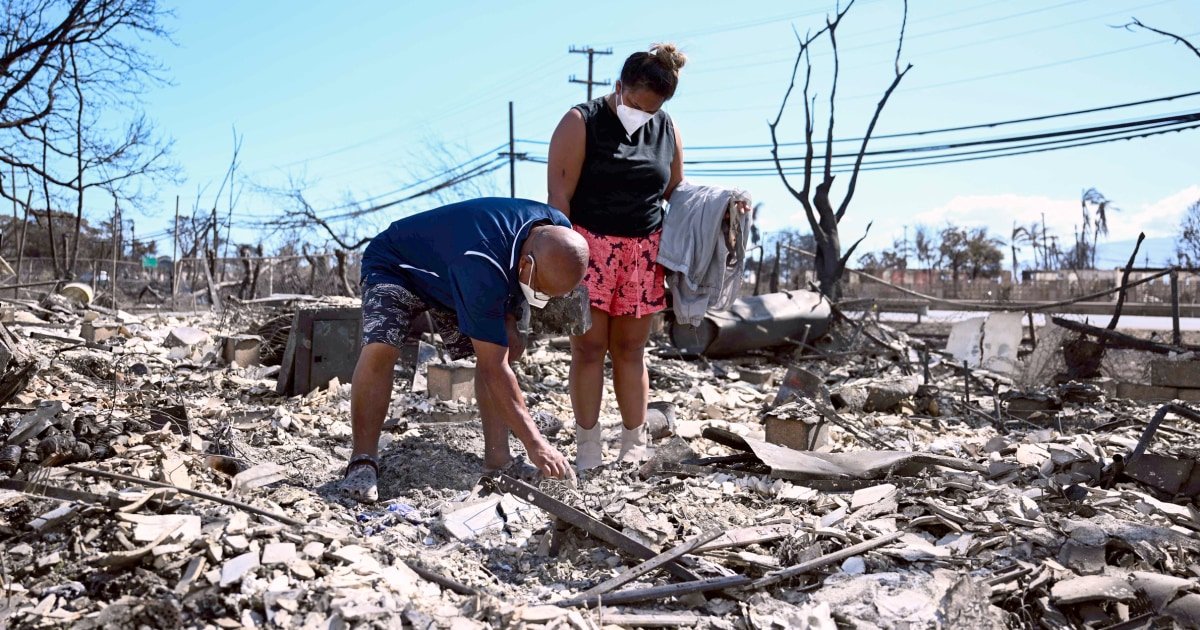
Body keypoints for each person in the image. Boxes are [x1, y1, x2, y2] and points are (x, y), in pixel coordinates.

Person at [341, 197, 589, 502]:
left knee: (508, 346)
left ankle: (499, 461)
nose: (541, 300)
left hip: (459, 268)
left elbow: (504, 328)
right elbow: (493, 367)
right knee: (382, 346)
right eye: (540, 292)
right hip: (396, 265)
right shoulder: (481, 263)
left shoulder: (558, 231)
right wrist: (537, 443)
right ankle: (362, 460)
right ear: (527, 265)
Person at [546, 43, 687, 470]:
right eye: (636, 104)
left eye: (652, 109)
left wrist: (726, 205)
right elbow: (558, 198)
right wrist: (561, 263)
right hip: (588, 250)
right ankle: (588, 447)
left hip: (643, 255)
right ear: (619, 86)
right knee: (588, 349)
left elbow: (677, 194)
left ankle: (633, 443)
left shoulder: (668, 130)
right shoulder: (580, 121)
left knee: (631, 350)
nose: (642, 114)